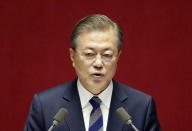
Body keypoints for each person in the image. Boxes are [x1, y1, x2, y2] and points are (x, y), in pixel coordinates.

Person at [24, 14, 161, 131]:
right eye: (89, 54)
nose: (98, 63)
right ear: (73, 57)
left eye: (107, 55)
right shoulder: (45, 105)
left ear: (118, 57)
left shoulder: (142, 106)